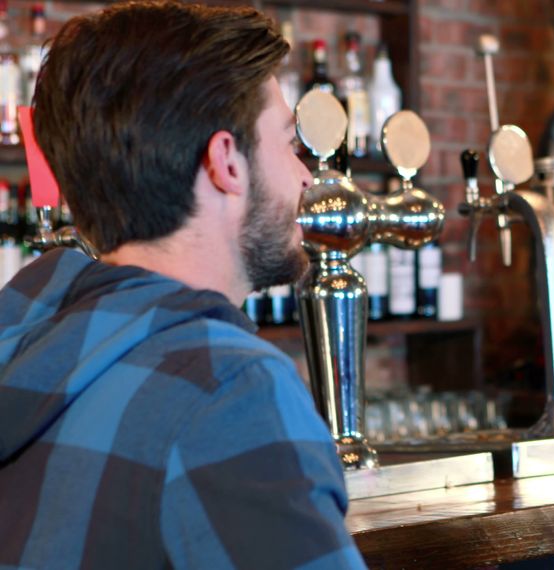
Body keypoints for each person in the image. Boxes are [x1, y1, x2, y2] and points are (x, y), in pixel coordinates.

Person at [0, 3, 365, 568]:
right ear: (226, 163)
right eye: (288, 142)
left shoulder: (26, 333)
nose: (306, 176)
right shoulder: (231, 390)